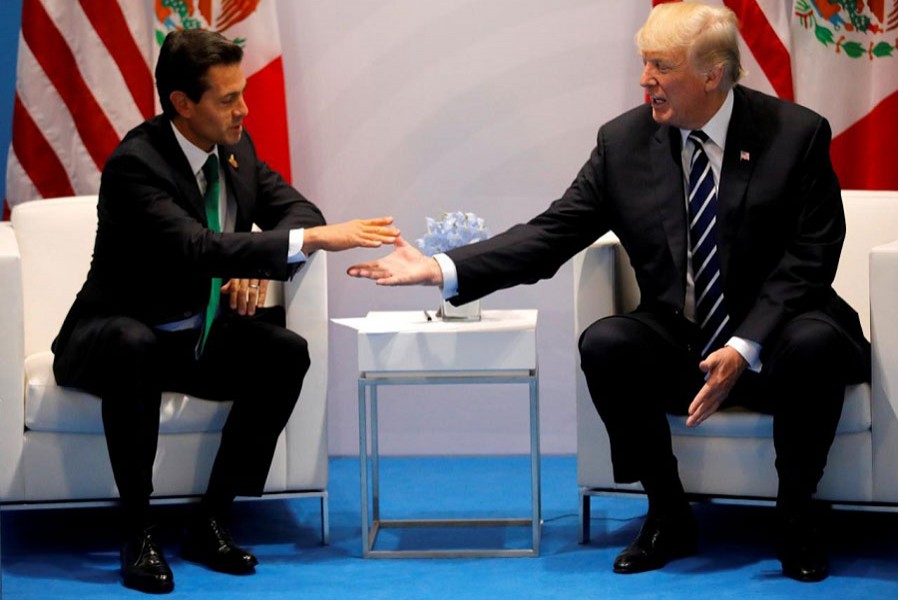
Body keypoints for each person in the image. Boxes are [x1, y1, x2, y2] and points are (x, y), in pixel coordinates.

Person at [347, 2, 869, 583]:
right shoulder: (623, 143)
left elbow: (811, 257)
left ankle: (796, 517)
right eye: (643, 63)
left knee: (815, 342)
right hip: (687, 336)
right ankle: (668, 513)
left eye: (660, 66)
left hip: (779, 336)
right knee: (607, 342)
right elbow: (550, 234)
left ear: (712, 74)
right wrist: (441, 269)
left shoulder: (795, 134)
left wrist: (745, 346)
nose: (645, 79)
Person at [52, 29, 399, 594]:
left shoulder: (235, 149)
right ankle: (138, 532)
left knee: (285, 352)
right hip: (108, 338)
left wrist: (258, 262)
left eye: (242, 93)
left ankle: (211, 517)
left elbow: (297, 209)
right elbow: (193, 247)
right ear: (182, 104)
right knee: (132, 342)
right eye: (228, 98)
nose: (244, 108)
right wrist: (295, 243)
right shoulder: (135, 164)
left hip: (188, 340)